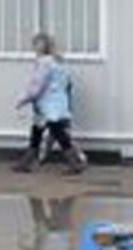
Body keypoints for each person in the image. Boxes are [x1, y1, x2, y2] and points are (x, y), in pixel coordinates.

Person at [13, 34, 84, 175]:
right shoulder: (58, 62)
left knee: (58, 133)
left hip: (48, 104)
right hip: (56, 103)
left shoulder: (44, 63)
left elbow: (37, 85)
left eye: (35, 44)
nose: (34, 47)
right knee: (37, 131)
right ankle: (26, 162)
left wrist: (23, 99)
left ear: (40, 46)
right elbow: (66, 84)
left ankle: (74, 163)